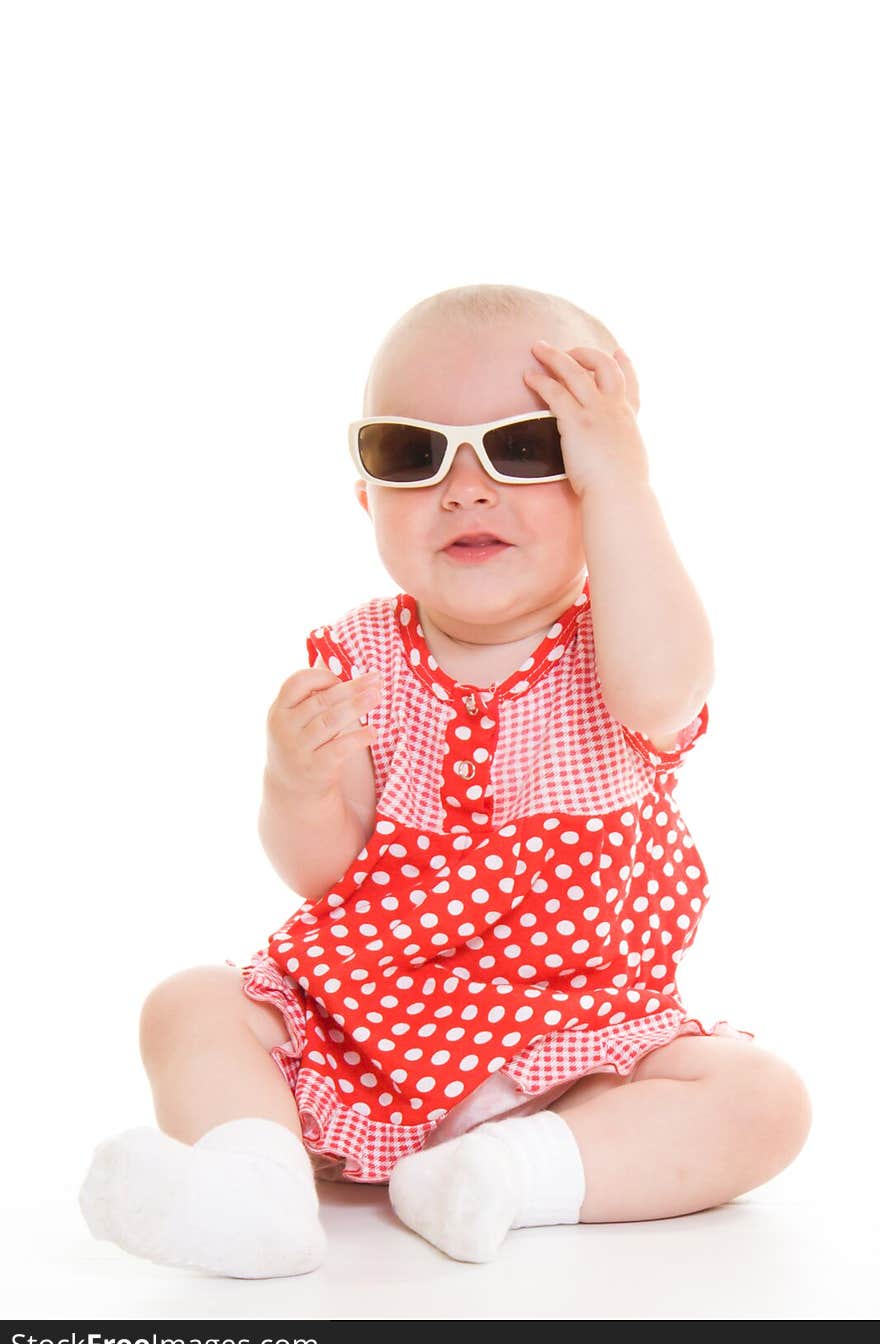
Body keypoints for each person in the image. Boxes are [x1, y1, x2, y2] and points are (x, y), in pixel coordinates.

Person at [78, 283, 812, 1278]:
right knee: (187, 1002)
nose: (465, 489)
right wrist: (295, 781)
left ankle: (510, 1174)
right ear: (365, 496)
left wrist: (622, 488)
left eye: (524, 448)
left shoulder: (617, 646)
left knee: (760, 1100)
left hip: (571, 1051)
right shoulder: (358, 655)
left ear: (597, 477)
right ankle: (255, 1190)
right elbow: (323, 873)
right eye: (411, 454)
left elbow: (666, 684)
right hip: (362, 1028)